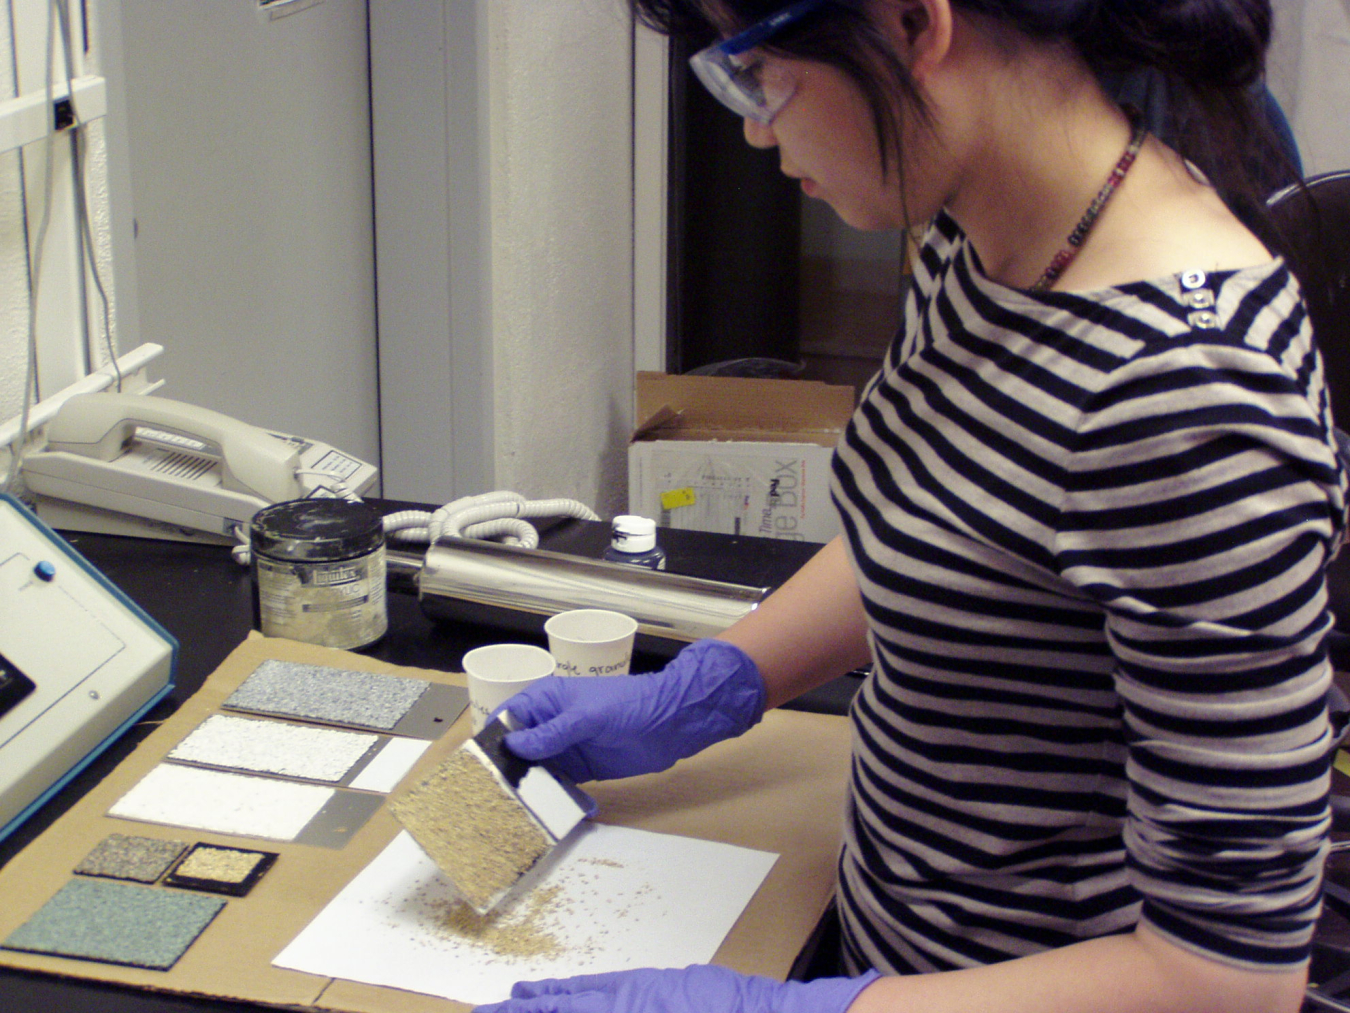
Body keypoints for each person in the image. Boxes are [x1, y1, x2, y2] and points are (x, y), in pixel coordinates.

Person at [477, 1, 1348, 1012]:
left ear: (910, 23)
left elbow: (1226, 978)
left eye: (764, 75)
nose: (757, 127)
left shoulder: (1192, 396)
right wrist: (712, 685)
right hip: (889, 945)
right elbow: (941, 521)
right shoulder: (990, 225)